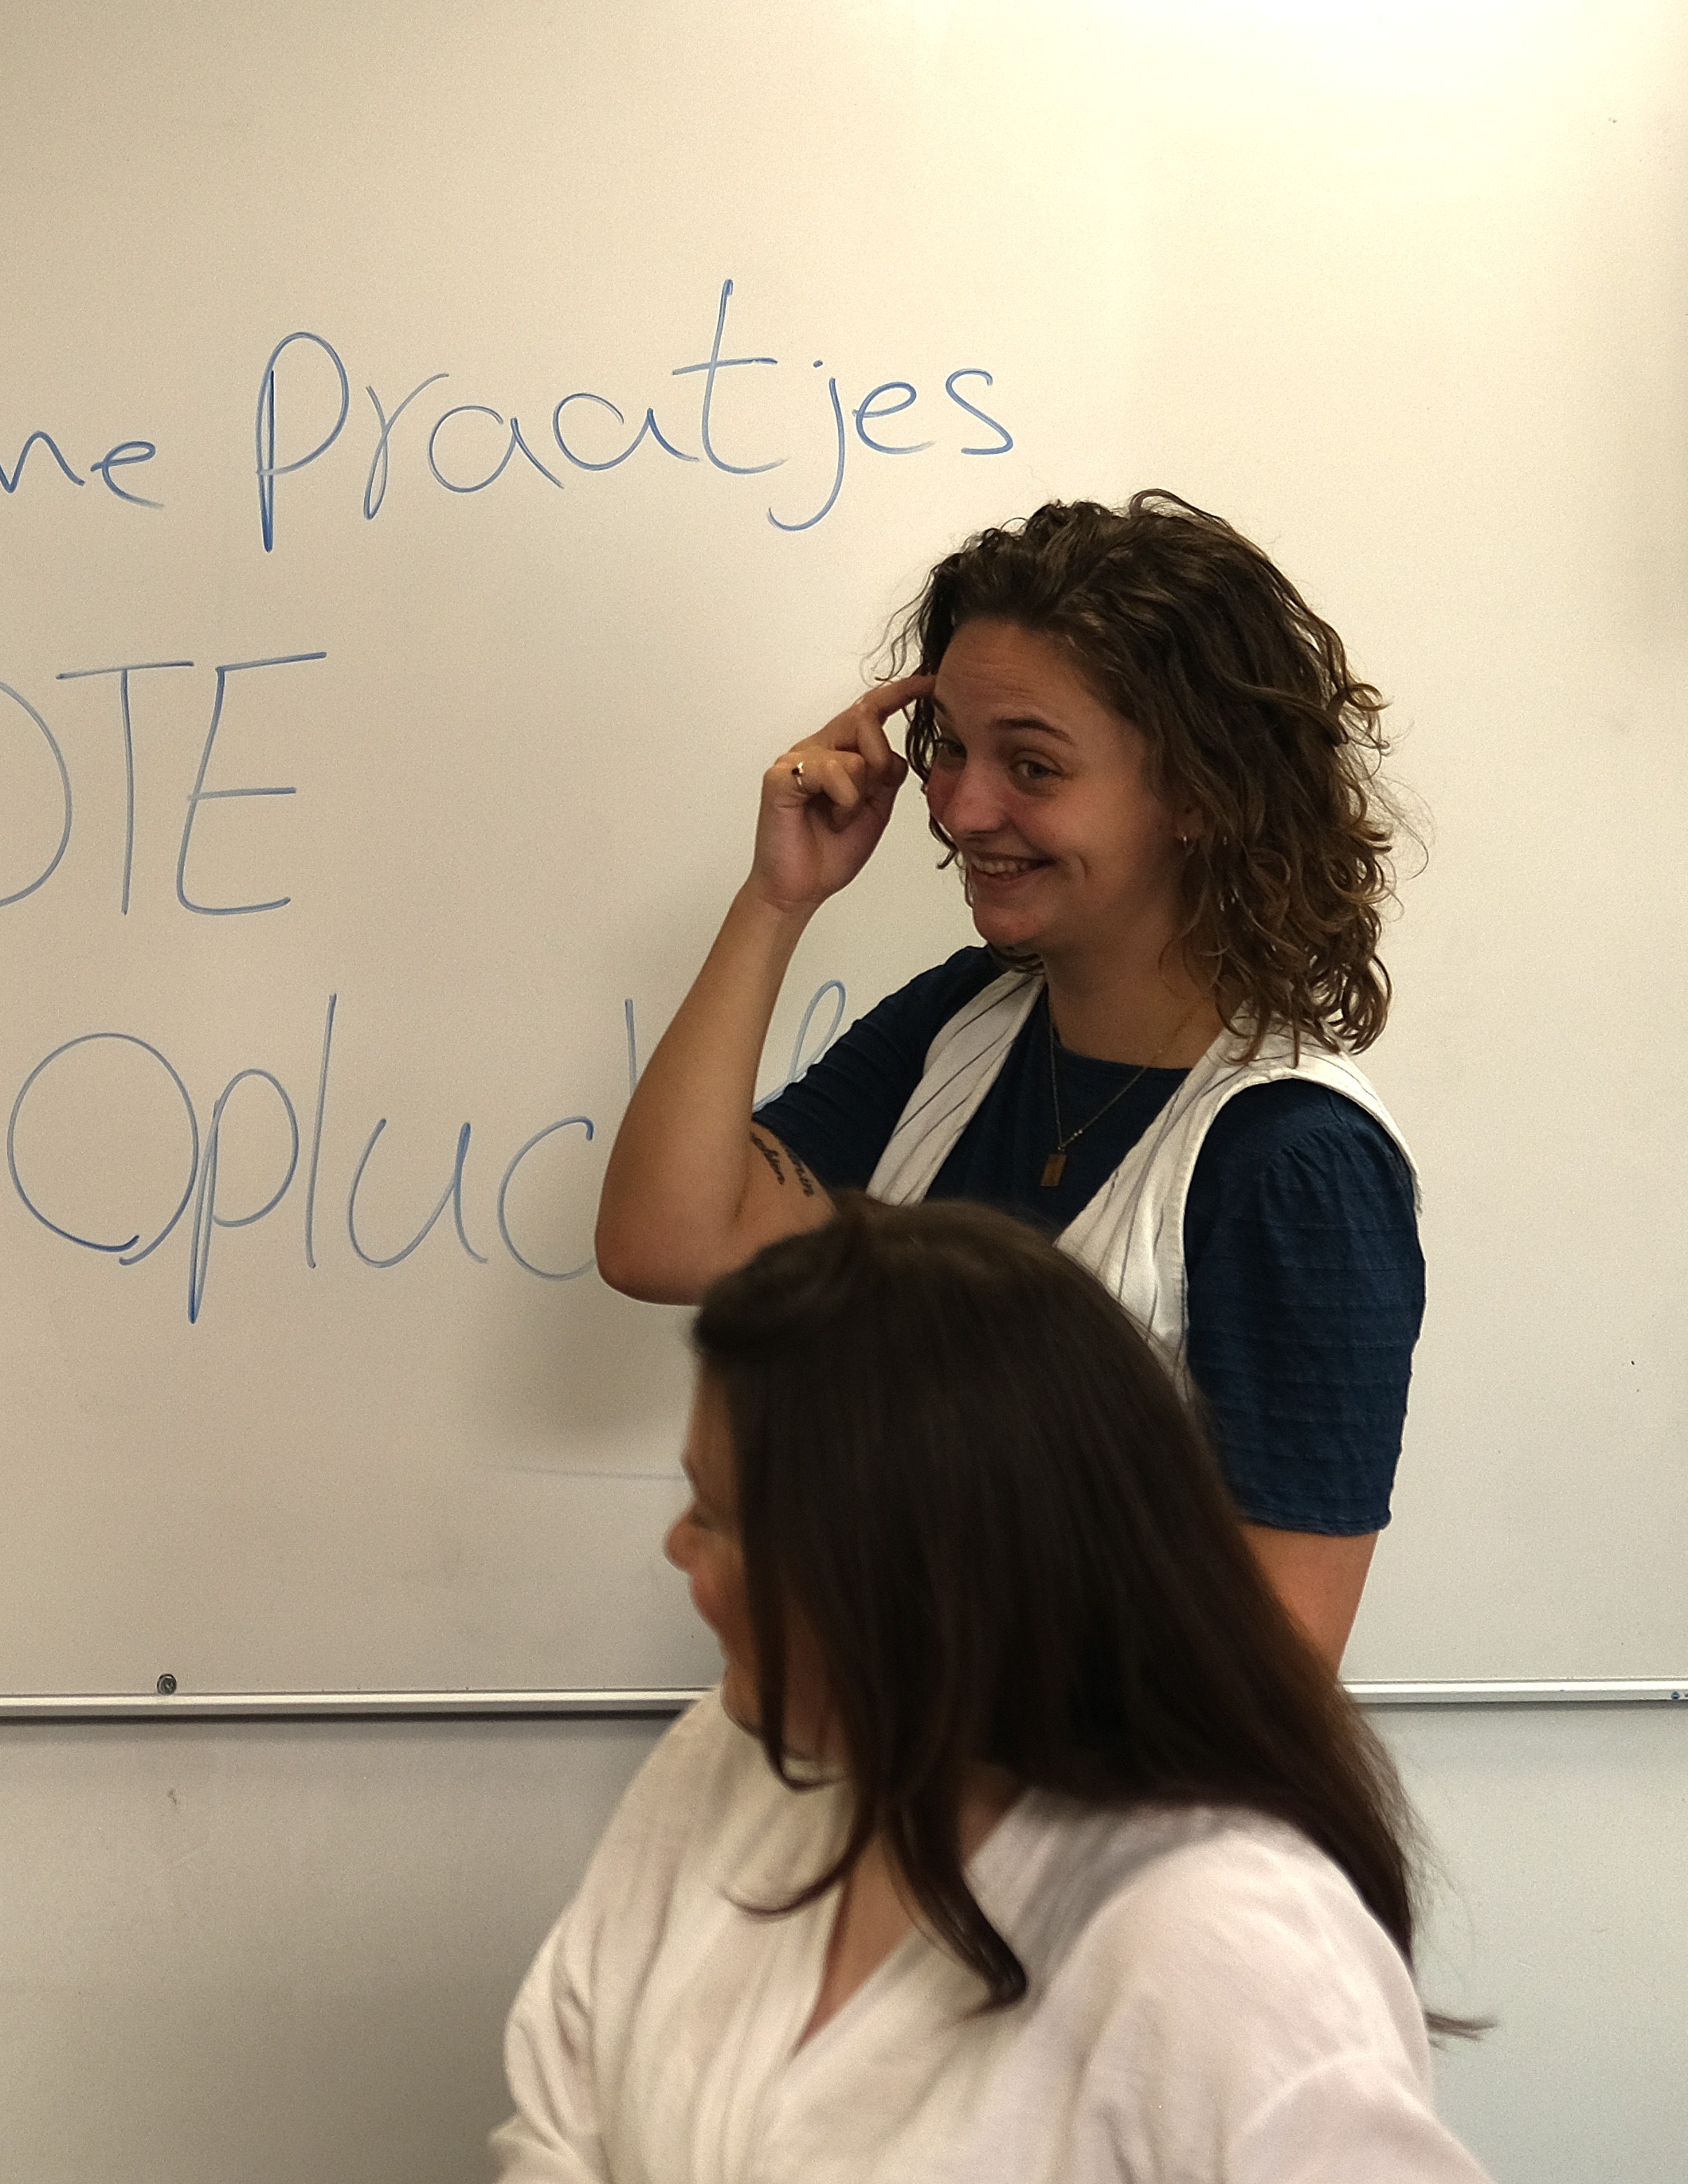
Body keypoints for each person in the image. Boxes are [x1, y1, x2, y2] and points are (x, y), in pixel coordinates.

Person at [347, 1200, 1572, 2184]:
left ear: (907, 1582)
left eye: (722, 1519)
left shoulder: (1214, 1932)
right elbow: (584, 2147)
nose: (678, 1549)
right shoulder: (725, 1765)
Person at [589, 493, 1418, 1661]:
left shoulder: (1294, 1164)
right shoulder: (961, 1021)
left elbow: (1276, 1663)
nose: (962, 808)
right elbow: (661, 1244)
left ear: (1198, 793)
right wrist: (777, 899)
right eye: (951, 749)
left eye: (1030, 764)